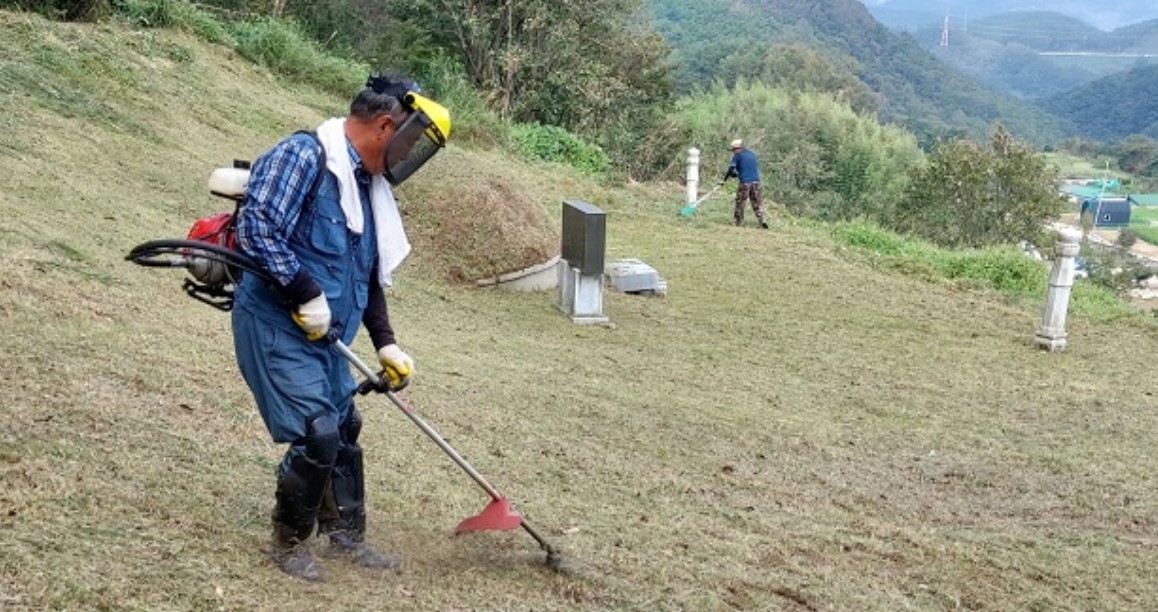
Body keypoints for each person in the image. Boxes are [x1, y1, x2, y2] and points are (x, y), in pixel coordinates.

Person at [231, 73, 451, 582]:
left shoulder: (364, 186)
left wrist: (387, 344)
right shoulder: (304, 156)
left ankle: (347, 538)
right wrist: (305, 290)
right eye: (411, 143)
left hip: (325, 335)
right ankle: (288, 543)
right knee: (319, 432)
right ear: (384, 125)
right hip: (275, 324)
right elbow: (257, 228)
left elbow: (366, 274)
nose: (407, 156)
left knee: (346, 427)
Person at [723, 138, 769, 228]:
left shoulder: (738, 155)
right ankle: (762, 220)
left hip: (745, 182)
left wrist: (725, 179)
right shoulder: (752, 154)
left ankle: (739, 222)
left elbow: (731, 169)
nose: (733, 152)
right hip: (756, 181)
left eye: (733, 150)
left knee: (740, 202)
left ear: (737, 148)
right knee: (757, 202)